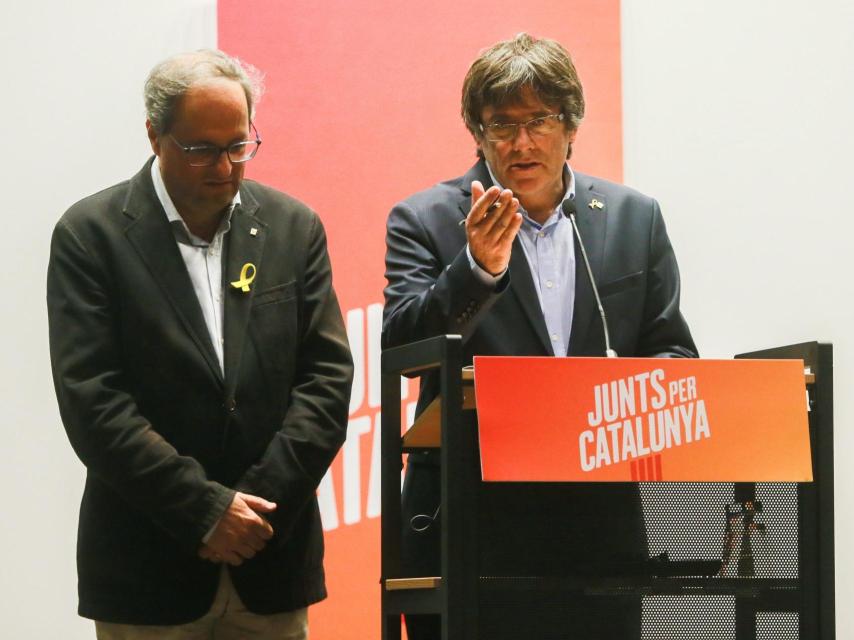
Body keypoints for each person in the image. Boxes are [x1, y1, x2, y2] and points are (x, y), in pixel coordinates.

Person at [383, 33, 697, 639]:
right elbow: (401, 348)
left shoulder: (635, 218)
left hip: (600, 531)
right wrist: (476, 272)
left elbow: (673, 348)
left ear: (571, 125)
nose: (521, 143)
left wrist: (622, 387)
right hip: (471, 523)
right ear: (477, 132)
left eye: (539, 121)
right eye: (502, 125)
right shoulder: (425, 219)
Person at [47, 50, 353, 639]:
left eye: (239, 146)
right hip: (146, 568)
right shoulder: (91, 236)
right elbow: (94, 404)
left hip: (270, 562)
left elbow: (326, 382)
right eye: (201, 149)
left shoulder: (294, 227)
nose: (225, 167)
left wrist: (254, 510)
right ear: (154, 136)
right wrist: (204, 512)